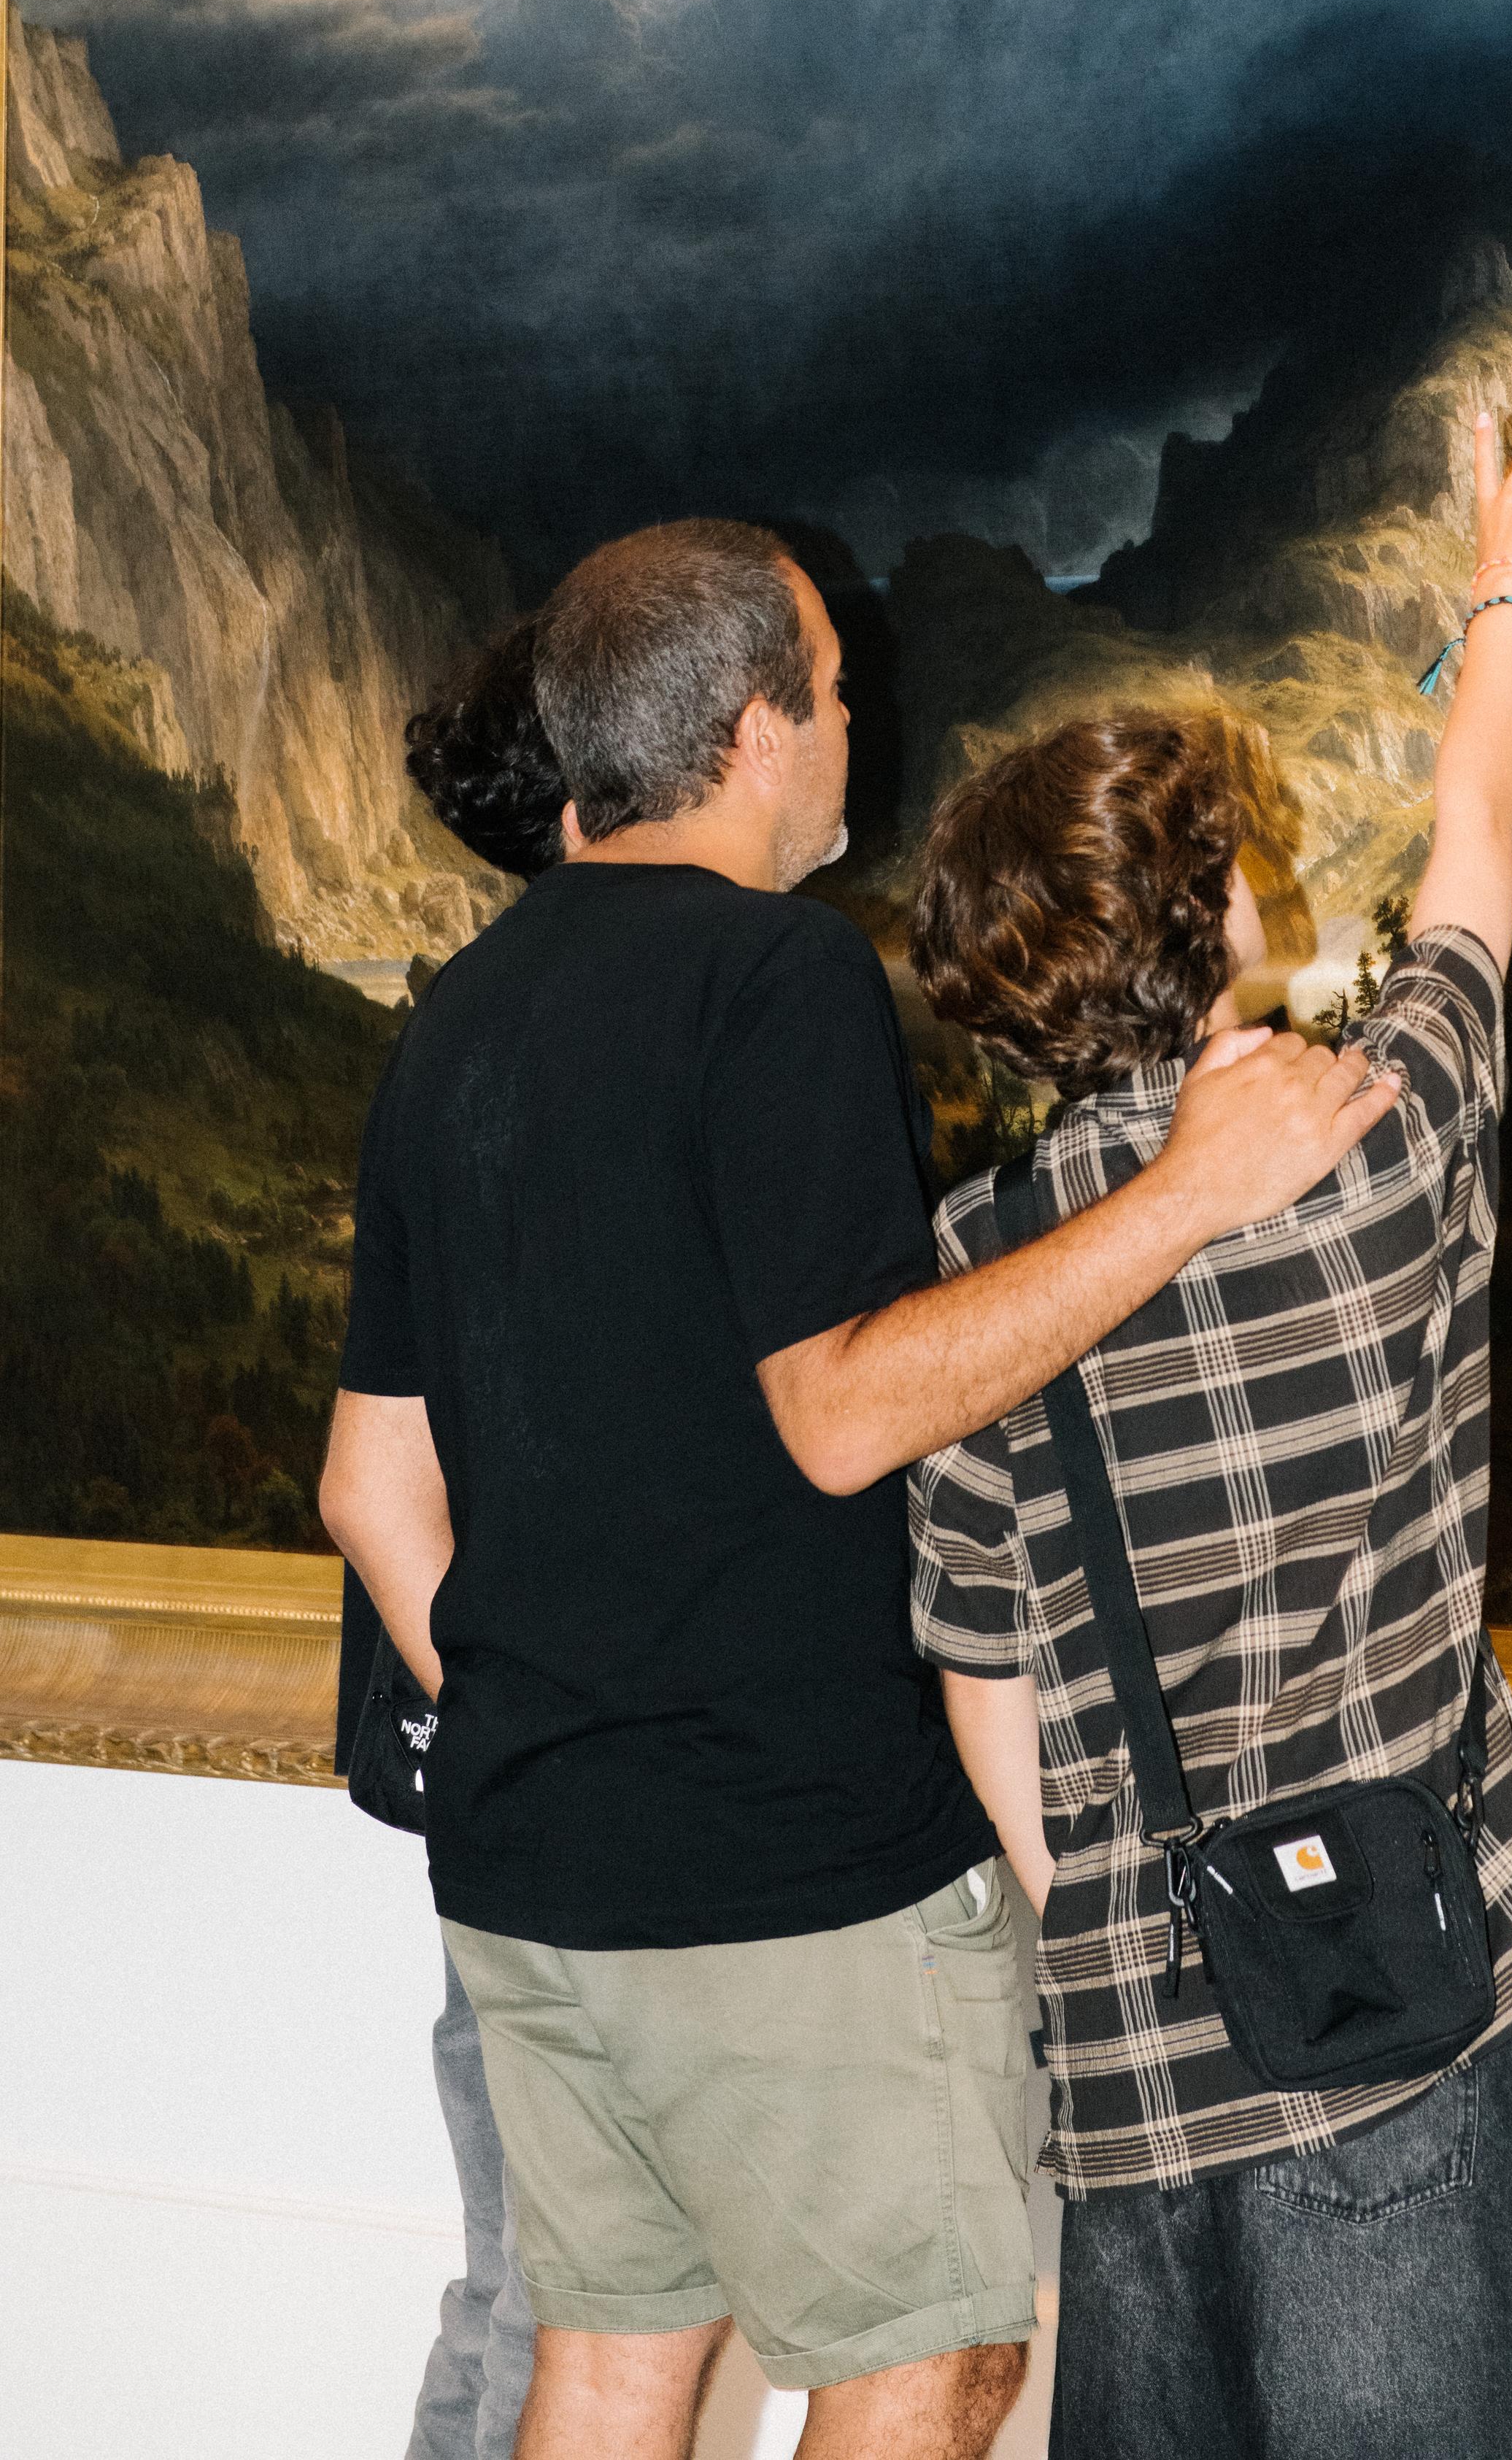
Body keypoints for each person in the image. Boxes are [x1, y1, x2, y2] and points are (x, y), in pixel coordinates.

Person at [320, 517, 1401, 2460]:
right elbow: (840, 1411)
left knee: (611, 2366)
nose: (853, 725)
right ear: (754, 731)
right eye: (835, 689)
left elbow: (370, 1484)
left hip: (527, 1861)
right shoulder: (777, 977)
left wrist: (550, 1715)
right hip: (786, 1852)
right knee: (930, 2361)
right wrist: (1185, 1196)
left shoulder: (459, 1017)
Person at [909, 420, 1512, 2460]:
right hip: (1408, 2009)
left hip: (1135, 2057)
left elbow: (980, 1677)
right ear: (1207, 923)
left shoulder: (988, 1266)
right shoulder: (1373, 1147)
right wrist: (1506, 587)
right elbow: (1471, 875)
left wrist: (1119, 1917)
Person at [334, 617, 572, 2460]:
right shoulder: (508, 1052)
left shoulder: (474, 1030)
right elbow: (373, 1479)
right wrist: (524, 1719)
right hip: (516, 1767)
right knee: (548, 2280)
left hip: (495, 1758)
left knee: (531, 2272)